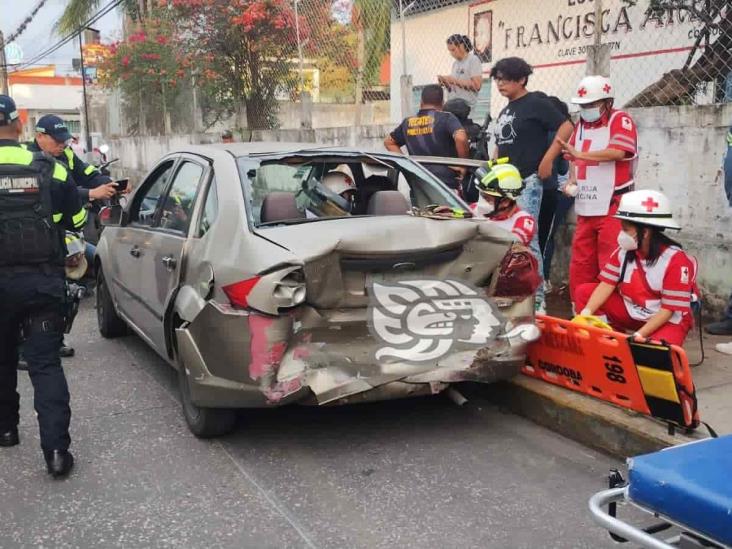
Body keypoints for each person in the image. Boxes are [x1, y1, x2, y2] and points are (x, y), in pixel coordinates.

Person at [0, 94, 87, 478]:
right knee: (45, 365)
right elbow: (78, 216)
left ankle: (5, 430)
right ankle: (55, 453)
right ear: (19, 124)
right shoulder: (48, 166)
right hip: (42, 282)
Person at [490, 57, 574, 312]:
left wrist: (548, 159)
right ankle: (516, 293)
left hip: (527, 181)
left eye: (506, 78)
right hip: (504, 184)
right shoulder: (506, 109)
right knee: (507, 240)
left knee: (528, 238)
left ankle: (538, 302)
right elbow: (500, 143)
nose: (500, 83)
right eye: (497, 79)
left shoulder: (535, 104)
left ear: (522, 79)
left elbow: (566, 126)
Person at [574, 190, 695, 346]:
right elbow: (606, 284)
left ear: (645, 232)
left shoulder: (675, 260)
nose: (621, 234)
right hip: (633, 310)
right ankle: (607, 339)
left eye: (626, 229)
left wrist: (638, 336)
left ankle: (635, 342)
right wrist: (586, 314)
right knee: (584, 293)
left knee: (654, 357)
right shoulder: (624, 252)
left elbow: (668, 310)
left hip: (667, 319)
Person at [557, 76, 638, 310]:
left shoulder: (619, 119)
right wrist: (572, 178)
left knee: (610, 263)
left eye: (591, 105)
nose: (586, 110)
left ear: (607, 102)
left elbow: (619, 152)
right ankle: (580, 310)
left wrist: (581, 156)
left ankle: (610, 314)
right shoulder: (581, 125)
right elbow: (573, 155)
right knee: (580, 263)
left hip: (613, 204)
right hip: (586, 206)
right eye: (583, 106)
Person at [384, 84, 469, 191]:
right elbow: (461, 138)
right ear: (442, 103)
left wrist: (407, 164)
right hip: (445, 186)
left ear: (421, 102)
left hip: (418, 182)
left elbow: (389, 142)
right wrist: (463, 165)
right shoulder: (447, 118)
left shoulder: (407, 122)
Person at [26, 114, 119, 204]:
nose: (62, 145)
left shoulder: (66, 153)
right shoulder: (27, 156)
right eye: (57, 141)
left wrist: (113, 184)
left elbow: (85, 174)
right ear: (39, 136)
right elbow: (52, 190)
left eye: (64, 140)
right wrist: (90, 193)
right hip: (42, 218)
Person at [538, 95, 574, 292]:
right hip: (552, 190)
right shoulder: (559, 136)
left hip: (535, 190)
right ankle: (543, 280)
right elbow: (562, 169)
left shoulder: (532, 131)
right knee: (547, 236)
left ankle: (539, 280)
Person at [470, 161, 536, 247]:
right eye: (481, 196)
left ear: (505, 201)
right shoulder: (472, 209)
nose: (481, 202)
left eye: (487, 198)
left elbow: (511, 246)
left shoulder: (524, 221)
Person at [438, 34, 483, 114]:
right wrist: (446, 82)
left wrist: (454, 80)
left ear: (461, 47)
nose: (451, 53)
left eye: (453, 50)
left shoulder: (473, 60)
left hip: (465, 108)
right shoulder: (455, 64)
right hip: (453, 105)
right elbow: (455, 86)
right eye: (449, 51)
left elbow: (477, 85)